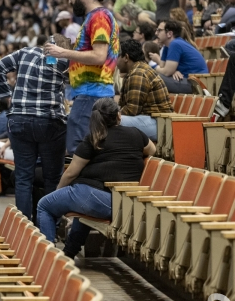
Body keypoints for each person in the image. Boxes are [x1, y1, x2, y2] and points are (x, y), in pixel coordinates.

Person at [36, 98, 156, 259]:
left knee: (44, 205)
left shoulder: (94, 138)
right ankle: (69, 253)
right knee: (82, 209)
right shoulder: (136, 133)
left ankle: (48, 258)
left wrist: (59, 192)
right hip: (124, 203)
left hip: (92, 195)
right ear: (119, 116)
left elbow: (71, 173)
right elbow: (152, 150)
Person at [0, 34, 70, 220]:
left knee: (23, 177)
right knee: (52, 178)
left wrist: (7, 96)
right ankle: (50, 224)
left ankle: (25, 227)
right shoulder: (63, 61)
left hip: (19, 120)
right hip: (49, 122)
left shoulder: (26, 52)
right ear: (62, 48)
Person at [44, 0, 119, 156]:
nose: (69, 1)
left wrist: (63, 53)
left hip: (92, 94)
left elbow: (99, 56)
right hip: (91, 94)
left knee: (77, 150)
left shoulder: (99, 17)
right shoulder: (95, 17)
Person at [116, 40, 172, 140]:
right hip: (151, 120)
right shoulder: (137, 69)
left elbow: (131, 110)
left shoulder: (138, 73)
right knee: (111, 118)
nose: (116, 61)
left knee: (112, 120)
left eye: (118, 56)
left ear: (126, 57)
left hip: (159, 124)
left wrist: (112, 114)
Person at [148, 20, 208, 93]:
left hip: (196, 84)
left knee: (152, 76)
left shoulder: (175, 44)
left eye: (159, 30)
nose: (156, 33)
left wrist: (154, 67)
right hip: (186, 80)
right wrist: (173, 71)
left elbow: (166, 72)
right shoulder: (167, 46)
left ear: (169, 34)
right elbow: (162, 66)